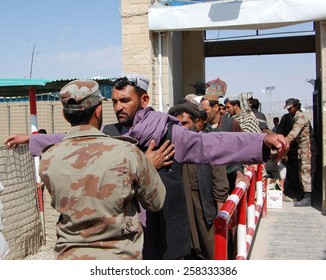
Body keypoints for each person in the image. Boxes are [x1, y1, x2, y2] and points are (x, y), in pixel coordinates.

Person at [5, 75, 289, 256]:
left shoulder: (170, 132)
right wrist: (31, 140)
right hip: (131, 240)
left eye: (125, 100)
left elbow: (214, 145)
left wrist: (262, 141)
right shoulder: (114, 134)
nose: (119, 107)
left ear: (144, 100)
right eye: (114, 101)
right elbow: (72, 140)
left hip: (168, 235)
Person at [38, 79, 166, 260]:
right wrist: (146, 166)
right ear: (98, 111)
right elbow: (156, 201)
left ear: (64, 115)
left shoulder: (49, 158)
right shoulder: (127, 153)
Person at [168, 100, 229, 260]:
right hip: (181, 212)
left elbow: (220, 183)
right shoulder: (170, 148)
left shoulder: (207, 144)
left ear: (196, 122)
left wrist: (221, 217)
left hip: (205, 210)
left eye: (184, 123)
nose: (180, 128)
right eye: (177, 124)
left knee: (210, 250)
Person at [283, 98, 316, 207]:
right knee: (302, 172)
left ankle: (308, 197)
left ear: (296, 106)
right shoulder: (296, 117)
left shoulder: (301, 117)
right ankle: (304, 195)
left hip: (306, 149)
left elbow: (293, 134)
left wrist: (282, 144)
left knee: (306, 172)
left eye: (290, 108)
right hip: (302, 149)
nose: (289, 111)